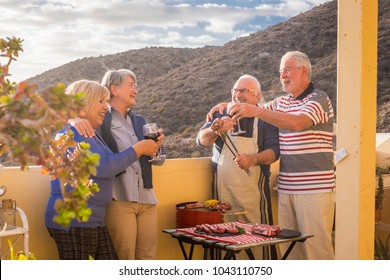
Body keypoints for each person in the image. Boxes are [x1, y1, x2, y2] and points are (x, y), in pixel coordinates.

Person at [209, 51, 336, 260]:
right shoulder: (281, 103)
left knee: (316, 251)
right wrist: (226, 105)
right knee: (290, 250)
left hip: (315, 190)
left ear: (303, 70)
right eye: (280, 71)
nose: (282, 75)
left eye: (287, 69)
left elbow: (296, 123)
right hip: (286, 188)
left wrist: (255, 111)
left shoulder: (319, 99)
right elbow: (251, 106)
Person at [45, 80, 159, 260]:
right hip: (74, 219)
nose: (106, 107)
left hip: (93, 219)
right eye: (100, 101)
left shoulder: (91, 131)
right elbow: (104, 166)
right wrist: (138, 149)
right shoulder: (73, 132)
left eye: (106, 101)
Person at [72, 69, 165, 260]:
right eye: (131, 85)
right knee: (124, 258)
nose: (136, 91)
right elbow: (69, 125)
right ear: (114, 89)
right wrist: (73, 120)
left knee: (148, 258)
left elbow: (161, 159)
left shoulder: (140, 120)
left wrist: (158, 148)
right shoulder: (100, 117)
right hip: (119, 197)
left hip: (146, 197)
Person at [197, 74, 280, 259]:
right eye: (236, 90)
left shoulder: (265, 118)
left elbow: (274, 152)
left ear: (257, 97)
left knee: (258, 245)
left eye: (244, 91)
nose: (238, 95)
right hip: (222, 198)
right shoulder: (219, 115)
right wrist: (215, 129)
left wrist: (253, 159)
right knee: (223, 245)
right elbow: (201, 141)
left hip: (254, 199)